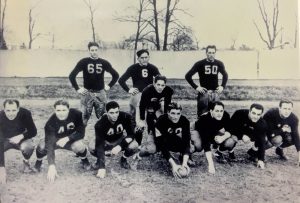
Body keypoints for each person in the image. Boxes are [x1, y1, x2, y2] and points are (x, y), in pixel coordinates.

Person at [34, 100, 91, 182]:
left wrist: (68, 138)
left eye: (64, 110)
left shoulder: (77, 114)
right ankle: (39, 162)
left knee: (79, 146)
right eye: (58, 110)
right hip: (55, 141)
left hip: (70, 140)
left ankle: (84, 160)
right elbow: (49, 144)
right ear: (54, 110)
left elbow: (81, 133)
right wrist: (51, 166)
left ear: (68, 109)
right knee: (42, 146)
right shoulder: (50, 123)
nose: (61, 113)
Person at [69, 42, 119, 125]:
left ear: (98, 50)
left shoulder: (104, 62)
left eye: (96, 50)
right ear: (89, 50)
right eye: (92, 50)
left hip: (100, 92)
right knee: (83, 116)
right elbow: (72, 76)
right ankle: (79, 135)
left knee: (104, 117)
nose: (94, 52)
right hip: (87, 92)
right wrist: (78, 89)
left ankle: (106, 135)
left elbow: (116, 75)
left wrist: (109, 86)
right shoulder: (83, 62)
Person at [90, 101, 139, 179]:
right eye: (111, 113)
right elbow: (99, 143)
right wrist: (102, 168)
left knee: (134, 145)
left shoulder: (125, 116)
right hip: (105, 141)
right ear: (106, 112)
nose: (115, 115)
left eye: (117, 112)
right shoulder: (100, 123)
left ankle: (124, 159)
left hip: (119, 139)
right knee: (92, 147)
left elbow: (131, 134)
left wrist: (120, 146)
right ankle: (99, 161)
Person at [192, 101, 237, 174]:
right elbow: (206, 143)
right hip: (197, 130)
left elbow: (230, 130)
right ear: (211, 111)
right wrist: (211, 164)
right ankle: (186, 155)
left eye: (221, 111)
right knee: (199, 146)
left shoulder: (225, 115)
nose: (219, 113)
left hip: (213, 130)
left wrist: (222, 138)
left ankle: (217, 151)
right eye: (217, 111)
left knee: (230, 140)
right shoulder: (204, 119)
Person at [185, 45, 228, 118]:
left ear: (215, 53)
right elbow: (188, 76)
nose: (211, 55)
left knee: (216, 114)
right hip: (204, 93)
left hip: (215, 93)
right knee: (202, 115)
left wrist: (222, 86)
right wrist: (196, 87)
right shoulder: (200, 63)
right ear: (206, 53)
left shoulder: (219, 63)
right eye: (209, 52)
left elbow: (225, 75)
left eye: (213, 53)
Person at [0, 99, 37, 184]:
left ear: (18, 109)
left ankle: (26, 162)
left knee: (29, 146)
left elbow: (33, 131)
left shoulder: (25, 113)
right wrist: (2, 168)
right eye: (8, 110)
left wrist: (21, 136)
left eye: (14, 110)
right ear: (4, 109)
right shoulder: (0, 116)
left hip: (21, 139)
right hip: (5, 140)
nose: (11, 113)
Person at [118, 49, 160, 123]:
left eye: (146, 57)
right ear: (138, 59)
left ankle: (153, 132)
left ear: (149, 57)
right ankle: (135, 133)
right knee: (134, 116)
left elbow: (160, 80)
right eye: (142, 58)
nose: (144, 60)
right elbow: (121, 80)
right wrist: (128, 90)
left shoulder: (153, 68)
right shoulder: (133, 68)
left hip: (150, 94)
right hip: (137, 94)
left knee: (154, 114)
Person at [152, 102, 191, 178]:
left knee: (191, 148)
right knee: (151, 148)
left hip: (171, 136)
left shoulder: (185, 121)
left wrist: (184, 163)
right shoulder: (161, 121)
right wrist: (173, 164)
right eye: (173, 113)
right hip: (158, 137)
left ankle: (182, 157)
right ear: (168, 112)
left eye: (178, 113)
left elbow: (186, 141)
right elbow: (161, 144)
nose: (175, 117)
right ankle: (138, 156)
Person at [137, 75, 174, 150]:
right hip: (143, 105)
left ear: (165, 85)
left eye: (163, 85)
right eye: (158, 84)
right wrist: (142, 119)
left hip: (157, 105)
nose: (160, 87)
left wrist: (166, 117)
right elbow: (142, 105)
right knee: (141, 124)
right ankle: (138, 143)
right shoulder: (147, 90)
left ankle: (158, 141)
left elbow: (167, 105)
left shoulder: (168, 90)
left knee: (161, 121)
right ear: (154, 84)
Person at [230, 103, 268, 169]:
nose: (255, 116)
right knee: (230, 140)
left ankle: (253, 153)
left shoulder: (262, 123)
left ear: (261, 114)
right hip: (238, 132)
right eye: (253, 113)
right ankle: (230, 151)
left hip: (251, 134)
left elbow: (262, 141)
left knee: (264, 139)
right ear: (249, 111)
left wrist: (261, 160)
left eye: (258, 114)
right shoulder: (239, 113)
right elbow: (230, 128)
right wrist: (242, 135)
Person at [263, 99, 300, 165]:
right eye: (285, 108)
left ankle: (279, 150)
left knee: (292, 138)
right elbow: (268, 132)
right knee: (277, 140)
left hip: (278, 132)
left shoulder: (294, 118)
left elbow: (296, 135)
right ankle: (255, 152)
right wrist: (282, 130)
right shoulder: (271, 113)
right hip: (266, 132)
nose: (287, 111)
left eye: (289, 109)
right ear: (279, 108)